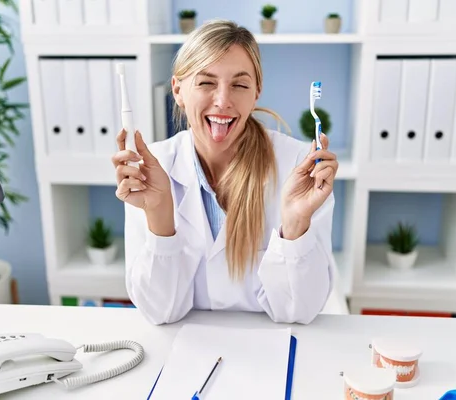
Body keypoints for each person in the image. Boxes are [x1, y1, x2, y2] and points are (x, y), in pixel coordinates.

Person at [112, 19, 338, 325]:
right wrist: (160, 214)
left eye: (239, 85)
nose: (222, 101)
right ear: (178, 90)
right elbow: (159, 312)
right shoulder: (151, 170)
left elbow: (300, 312)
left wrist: (296, 225)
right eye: (206, 82)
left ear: (256, 92)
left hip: (269, 350)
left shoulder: (299, 165)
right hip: (189, 352)